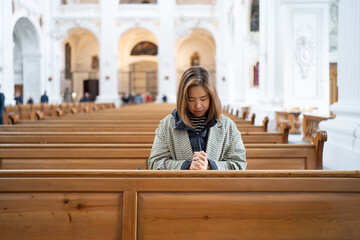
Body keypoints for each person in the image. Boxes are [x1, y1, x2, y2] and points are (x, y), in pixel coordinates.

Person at [148, 66, 246, 170]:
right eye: (191, 100)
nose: (198, 105)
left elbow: (239, 163)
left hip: (218, 186)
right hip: (179, 186)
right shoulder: (167, 124)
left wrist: (209, 165)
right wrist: (187, 166)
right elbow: (155, 162)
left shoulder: (228, 125)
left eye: (203, 99)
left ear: (212, 97)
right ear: (183, 99)